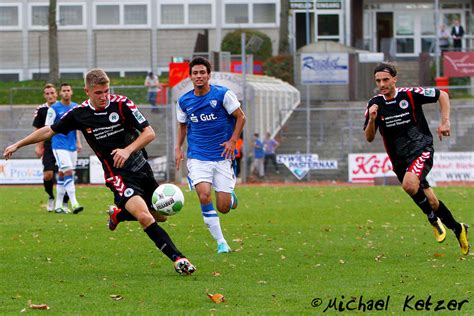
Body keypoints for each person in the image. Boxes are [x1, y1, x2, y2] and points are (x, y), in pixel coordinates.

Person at [4, 68, 196, 275]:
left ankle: (119, 215)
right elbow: (48, 130)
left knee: (160, 216)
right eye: (98, 93)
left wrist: (128, 150)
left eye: (106, 91)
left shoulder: (123, 104)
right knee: (144, 216)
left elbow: (149, 133)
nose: (104, 96)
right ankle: (179, 259)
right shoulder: (79, 114)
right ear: (87, 91)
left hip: (141, 168)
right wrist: (18, 144)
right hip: (118, 175)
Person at [364, 63, 470, 255]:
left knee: (409, 186)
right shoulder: (374, 104)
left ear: (395, 79)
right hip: (400, 160)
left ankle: (432, 220)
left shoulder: (411, 94)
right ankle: (457, 228)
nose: (382, 84)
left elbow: (442, 95)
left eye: (386, 80)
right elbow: (369, 137)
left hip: (421, 149)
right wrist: (372, 120)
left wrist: (445, 121)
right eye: (378, 81)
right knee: (433, 202)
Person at [175, 57, 246, 254]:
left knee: (223, 207)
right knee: (204, 195)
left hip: (223, 156)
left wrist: (233, 141)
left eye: (202, 72)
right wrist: (178, 148)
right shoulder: (184, 101)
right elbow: (182, 126)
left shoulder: (223, 95)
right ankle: (221, 242)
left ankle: (230, 198)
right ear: (190, 76)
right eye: (195, 73)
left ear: (208, 74)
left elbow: (241, 117)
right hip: (198, 156)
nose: (199, 76)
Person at [45, 83, 83, 214]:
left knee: (63, 173)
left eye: (68, 90)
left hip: (72, 145)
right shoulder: (54, 109)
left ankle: (58, 205)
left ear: (71, 92)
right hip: (59, 145)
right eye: (64, 90)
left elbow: (78, 127)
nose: (66, 92)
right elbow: (47, 127)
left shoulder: (75, 107)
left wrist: (79, 142)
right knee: (68, 172)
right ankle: (74, 203)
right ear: (60, 93)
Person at [32, 83, 68, 212]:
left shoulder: (64, 107)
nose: (50, 95)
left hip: (64, 144)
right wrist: (38, 146)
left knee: (65, 173)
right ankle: (51, 197)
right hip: (48, 145)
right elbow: (38, 129)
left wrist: (78, 143)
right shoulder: (41, 110)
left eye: (52, 93)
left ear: (56, 94)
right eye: (47, 93)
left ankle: (64, 202)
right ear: (44, 95)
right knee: (48, 175)